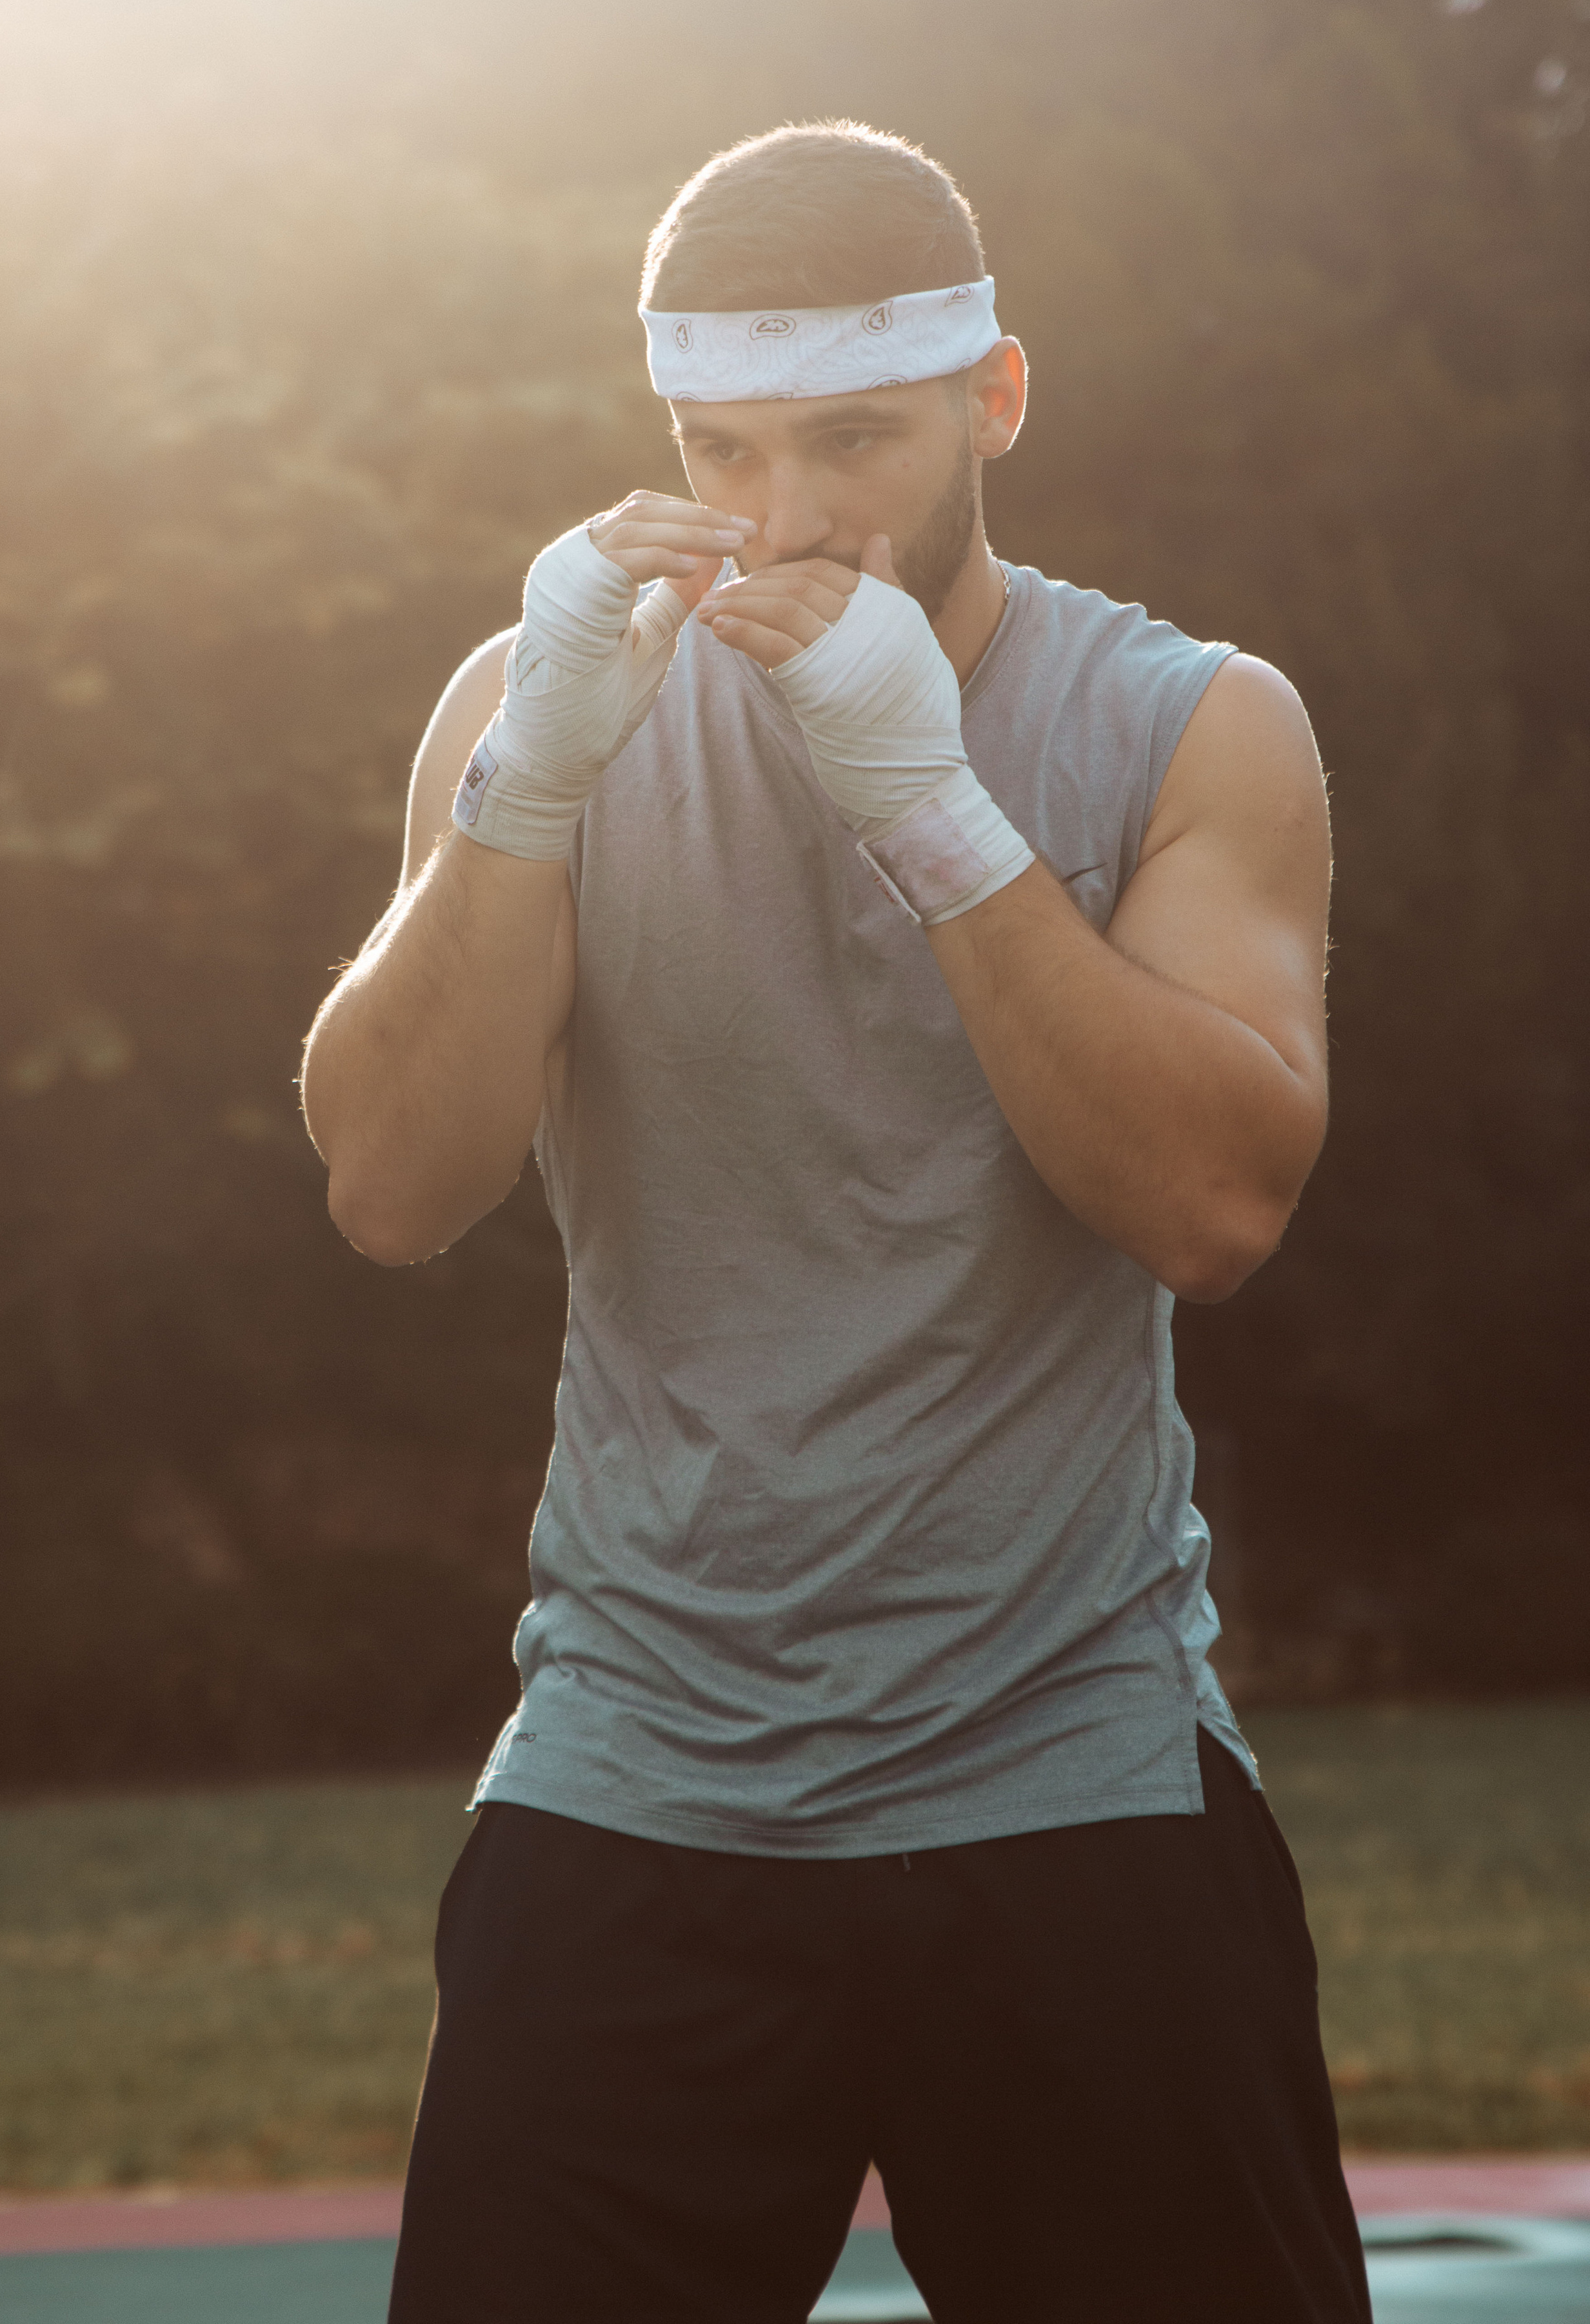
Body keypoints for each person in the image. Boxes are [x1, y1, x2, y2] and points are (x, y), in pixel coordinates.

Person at [300, 122, 1368, 2324]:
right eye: (725, 450)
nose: (780, 521)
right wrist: (525, 786)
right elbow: (393, 1186)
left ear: (995, 400)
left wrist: (935, 811)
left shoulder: (1190, 723)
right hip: (638, 1764)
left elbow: (1213, 1206)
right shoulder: (538, 702)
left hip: (1070, 1758)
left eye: (854, 441)